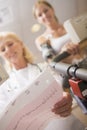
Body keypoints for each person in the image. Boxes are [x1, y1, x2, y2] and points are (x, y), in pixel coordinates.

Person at [0, 32, 85, 130]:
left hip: (67, 125)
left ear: (21, 44)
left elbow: (63, 90)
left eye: (10, 44)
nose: (8, 50)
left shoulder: (44, 68)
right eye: (2, 49)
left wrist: (66, 98)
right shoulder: (5, 87)